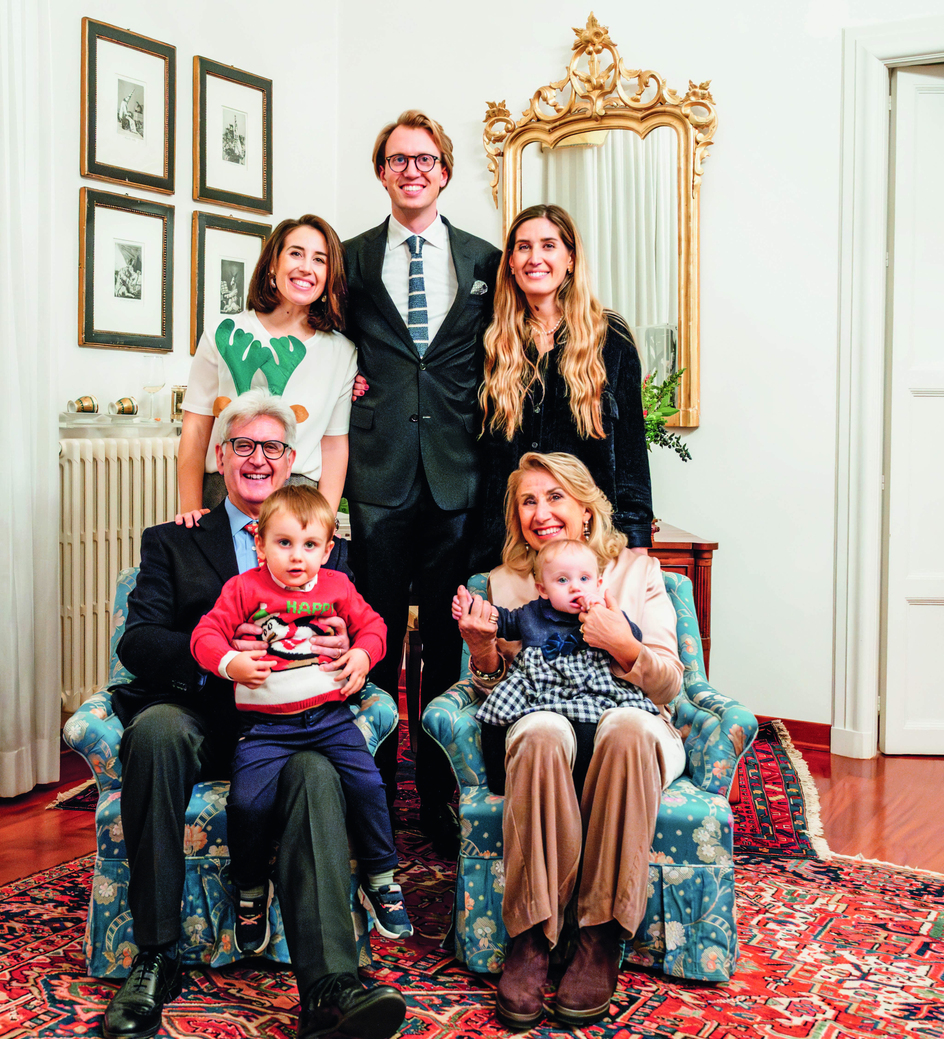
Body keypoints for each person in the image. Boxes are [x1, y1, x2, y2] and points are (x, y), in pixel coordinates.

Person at [103, 391, 408, 1039]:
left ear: (291, 460)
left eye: (273, 446)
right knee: (153, 733)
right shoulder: (174, 539)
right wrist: (219, 659)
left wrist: (351, 655)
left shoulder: (328, 547)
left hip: (293, 723)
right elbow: (138, 640)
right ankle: (154, 956)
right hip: (200, 711)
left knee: (317, 773)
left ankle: (330, 987)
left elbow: (361, 629)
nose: (258, 458)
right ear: (221, 457)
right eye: (244, 445)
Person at [453, 451, 683, 1030]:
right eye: (528, 501)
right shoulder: (505, 582)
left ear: (586, 509)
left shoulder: (636, 571)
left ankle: (600, 935)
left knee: (627, 728)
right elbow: (496, 688)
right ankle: (532, 935)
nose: (541, 512)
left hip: (628, 726)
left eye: (555, 497)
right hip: (548, 722)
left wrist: (621, 643)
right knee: (539, 729)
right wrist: (482, 648)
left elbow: (671, 683)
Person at [343, 109, 502, 850]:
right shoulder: (348, 259)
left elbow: (498, 358)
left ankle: (438, 795)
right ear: (382, 172)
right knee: (373, 635)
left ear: (444, 172)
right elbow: (324, 344)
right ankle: (372, 790)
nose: (413, 170)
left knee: (443, 640)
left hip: (455, 473)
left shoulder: (484, 261)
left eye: (426, 159)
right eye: (399, 159)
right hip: (375, 474)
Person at [190, 484, 412, 953]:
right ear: (260, 544)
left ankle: (381, 878)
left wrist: (362, 655)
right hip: (265, 729)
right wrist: (230, 663)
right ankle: (251, 890)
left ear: (327, 550)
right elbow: (204, 635)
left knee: (369, 786)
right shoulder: (243, 589)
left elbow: (374, 626)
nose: (297, 556)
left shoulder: (337, 587)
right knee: (246, 803)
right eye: (284, 542)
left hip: (330, 719)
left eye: (310, 545)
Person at [473, 204, 654, 570]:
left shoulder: (610, 338)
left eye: (548, 245)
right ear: (510, 263)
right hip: (506, 547)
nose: (534, 258)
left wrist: (636, 547)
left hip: (588, 549)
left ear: (570, 258)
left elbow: (631, 454)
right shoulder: (489, 341)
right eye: (523, 247)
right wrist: (362, 380)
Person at [178, 216, 356, 522]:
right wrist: (190, 511)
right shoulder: (223, 333)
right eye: (296, 253)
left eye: (319, 259)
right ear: (273, 263)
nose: (306, 267)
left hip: (300, 501)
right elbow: (195, 428)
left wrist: (323, 522)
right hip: (223, 492)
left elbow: (334, 447)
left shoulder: (342, 352)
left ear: (329, 275)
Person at [455, 538, 656, 731]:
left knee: (608, 717)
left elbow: (634, 637)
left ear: (598, 584)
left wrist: (606, 615)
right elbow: (503, 620)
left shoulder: (603, 614)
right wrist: (472, 608)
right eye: (562, 580)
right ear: (543, 589)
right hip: (539, 687)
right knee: (499, 713)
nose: (575, 587)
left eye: (584, 578)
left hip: (590, 687)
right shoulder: (531, 613)